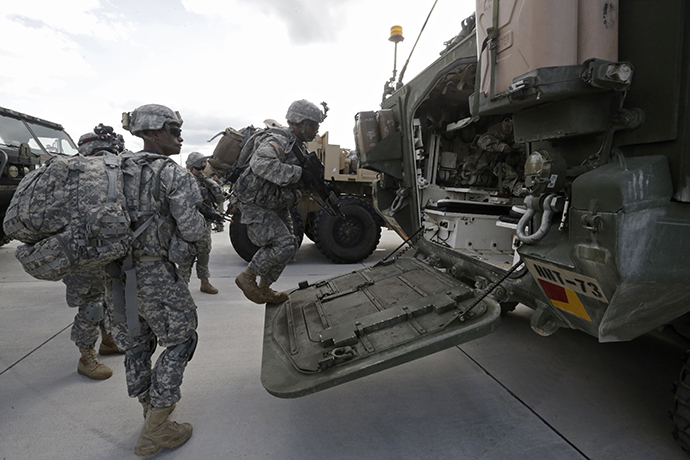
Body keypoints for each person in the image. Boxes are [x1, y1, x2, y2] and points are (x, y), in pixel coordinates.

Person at [107, 104, 206, 457]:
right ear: (150, 132)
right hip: (157, 275)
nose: (179, 137)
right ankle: (159, 428)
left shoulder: (111, 169)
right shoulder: (170, 172)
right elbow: (192, 227)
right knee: (181, 340)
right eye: (172, 130)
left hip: (116, 276)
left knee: (136, 345)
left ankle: (149, 411)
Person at [233, 99, 325, 304]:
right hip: (255, 201)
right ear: (299, 123)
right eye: (313, 125)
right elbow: (261, 164)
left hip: (275, 202)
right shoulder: (277, 140)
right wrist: (300, 174)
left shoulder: (297, 146)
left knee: (290, 246)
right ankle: (247, 277)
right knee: (282, 245)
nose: (316, 131)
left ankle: (265, 288)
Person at [63, 125, 126, 381]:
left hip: (109, 250)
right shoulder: (69, 172)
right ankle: (85, 357)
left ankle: (108, 340)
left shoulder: (113, 172)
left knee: (109, 299)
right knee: (92, 305)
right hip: (81, 252)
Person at [177, 152, 224, 294]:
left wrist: (210, 181)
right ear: (191, 167)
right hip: (187, 225)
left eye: (203, 167)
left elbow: (219, 196)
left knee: (204, 253)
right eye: (198, 167)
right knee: (186, 256)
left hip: (204, 224)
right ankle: (182, 286)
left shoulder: (206, 182)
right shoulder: (182, 181)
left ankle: (205, 282)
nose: (201, 171)